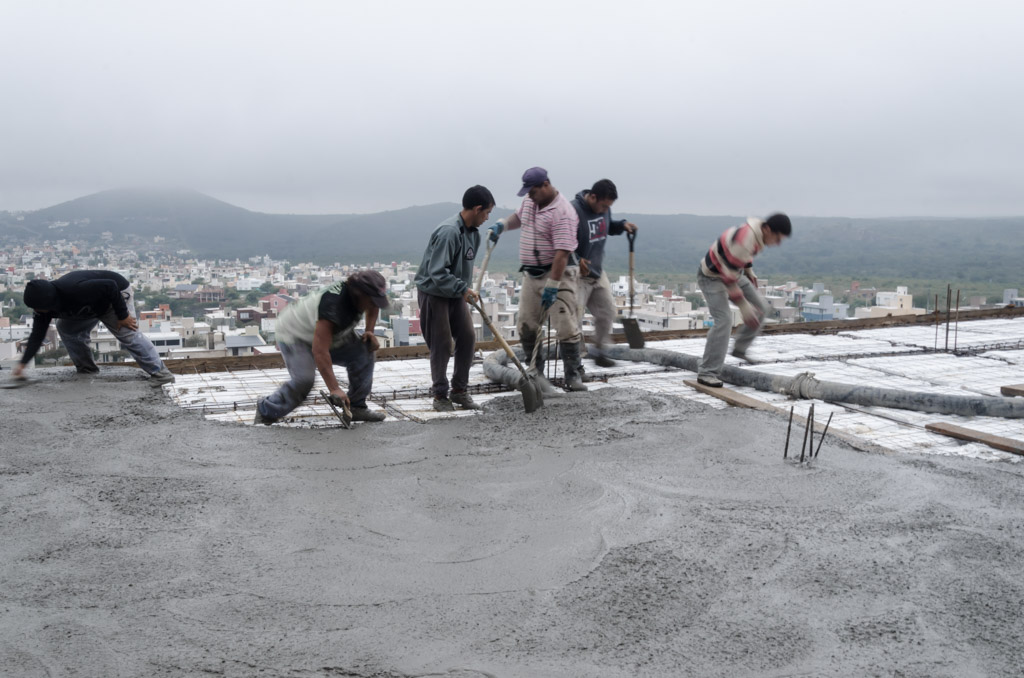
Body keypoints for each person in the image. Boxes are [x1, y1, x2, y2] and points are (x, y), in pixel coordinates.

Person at [487, 167, 586, 391]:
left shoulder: (563, 212)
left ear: (545, 185)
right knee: (526, 323)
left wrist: (552, 285)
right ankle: (535, 372)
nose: (529, 196)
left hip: (558, 274)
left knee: (565, 324)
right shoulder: (531, 202)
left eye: (532, 191)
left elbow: (562, 253)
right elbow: (518, 218)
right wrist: (503, 225)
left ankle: (573, 375)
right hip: (532, 274)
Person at [254, 270, 389, 425]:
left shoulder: (364, 296)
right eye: (372, 300)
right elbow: (320, 351)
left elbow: (374, 307)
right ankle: (266, 410)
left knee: (365, 351)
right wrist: (334, 389)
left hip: (330, 334)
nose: (373, 304)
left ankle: (357, 406)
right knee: (304, 381)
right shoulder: (334, 305)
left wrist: (369, 331)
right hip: (296, 335)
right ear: (359, 294)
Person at [13, 270, 175, 385]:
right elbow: (37, 336)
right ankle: (87, 369)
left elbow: (110, 286)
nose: (37, 311)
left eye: (39, 308)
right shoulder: (43, 308)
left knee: (127, 332)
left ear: (50, 302)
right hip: (88, 306)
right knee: (67, 328)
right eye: (34, 308)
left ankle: (160, 373)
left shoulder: (74, 289)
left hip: (114, 297)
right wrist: (23, 364)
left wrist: (123, 315)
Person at [413, 185, 494, 412]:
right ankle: (440, 394)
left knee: (467, 338)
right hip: (435, 293)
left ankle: (459, 390)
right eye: (487, 213)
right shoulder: (449, 232)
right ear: (477, 209)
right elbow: (437, 272)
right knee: (442, 344)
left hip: (456, 293)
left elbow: (462, 269)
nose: (487, 218)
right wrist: (462, 288)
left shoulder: (473, 235)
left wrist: (463, 289)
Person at [696, 213, 791, 387]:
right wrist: (743, 306)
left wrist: (749, 271)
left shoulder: (758, 234)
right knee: (723, 320)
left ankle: (740, 349)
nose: (777, 243)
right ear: (768, 229)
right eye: (777, 238)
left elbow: (743, 258)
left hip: (733, 272)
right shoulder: (745, 239)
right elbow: (729, 279)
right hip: (711, 276)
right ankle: (707, 372)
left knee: (761, 307)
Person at [571, 179, 637, 371]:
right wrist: (575, 258)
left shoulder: (604, 209)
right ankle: (574, 365)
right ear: (592, 197)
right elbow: (560, 240)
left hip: (597, 273)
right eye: (603, 205)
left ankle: (599, 352)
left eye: (608, 207)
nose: (604, 210)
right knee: (574, 323)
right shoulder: (573, 211)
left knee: (608, 312)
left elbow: (606, 227)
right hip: (577, 276)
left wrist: (622, 225)